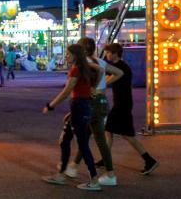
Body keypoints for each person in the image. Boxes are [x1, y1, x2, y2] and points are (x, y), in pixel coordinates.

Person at [41, 43, 101, 191]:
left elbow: (66, 92)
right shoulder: (86, 68)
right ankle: (60, 175)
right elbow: (101, 70)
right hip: (82, 107)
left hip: (79, 107)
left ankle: (94, 180)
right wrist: (94, 87)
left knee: (82, 145)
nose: (66, 56)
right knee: (65, 140)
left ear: (75, 55)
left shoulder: (75, 70)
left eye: (68, 54)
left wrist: (50, 106)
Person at [67, 37, 120, 186]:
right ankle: (74, 167)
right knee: (95, 137)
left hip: (90, 103)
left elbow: (76, 87)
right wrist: (103, 87)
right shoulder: (101, 62)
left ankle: (76, 169)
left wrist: (93, 89)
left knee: (81, 137)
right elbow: (119, 72)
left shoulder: (85, 65)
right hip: (102, 101)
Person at [101, 43, 158, 174]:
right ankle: (106, 159)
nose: (106, 55)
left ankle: (149, 160)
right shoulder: (120, 66)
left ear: (115, 53)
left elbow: (106, 81)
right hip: (122, 104)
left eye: (108, 52)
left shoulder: (121, 68)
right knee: (112, 131)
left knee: (124, 134)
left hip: (122, 105)